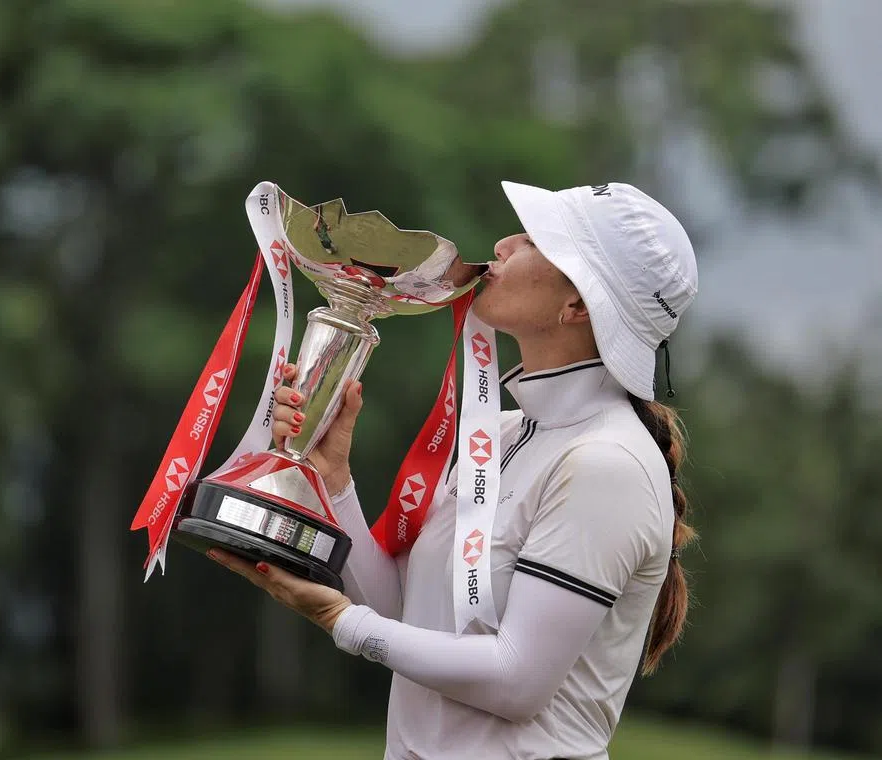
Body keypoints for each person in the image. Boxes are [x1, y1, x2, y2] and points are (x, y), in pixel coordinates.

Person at [209, 180, 699, 760]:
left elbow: (515, 681)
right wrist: (332, 477)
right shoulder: (503, 433)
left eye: (536, 239)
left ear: (576, 306)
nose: (505, 243)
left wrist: (339, 619)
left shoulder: (607, 463)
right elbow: (404, 614)